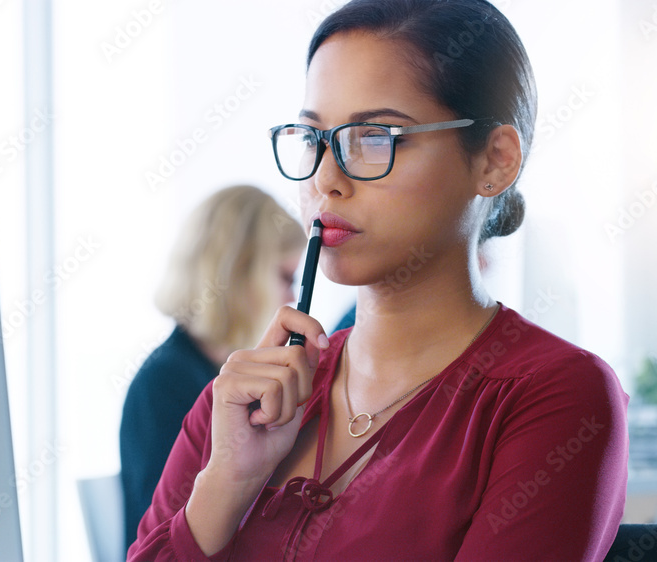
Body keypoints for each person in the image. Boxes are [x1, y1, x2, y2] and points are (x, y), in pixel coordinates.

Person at [129, 1, 629, 560]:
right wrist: (228, 481)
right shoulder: (237, 402)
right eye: (313, 138)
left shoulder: (554, 397)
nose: (325, 180)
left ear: (494, 161)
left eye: (375, 137)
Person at [120, 185, 307, 549]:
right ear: (239, 274)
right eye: (286, 278)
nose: (291, 299)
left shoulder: (220, 373)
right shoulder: (164, 385)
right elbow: (167, 535)